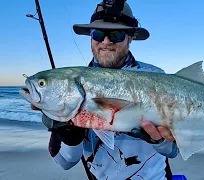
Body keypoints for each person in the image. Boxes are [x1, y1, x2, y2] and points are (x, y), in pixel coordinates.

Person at [31, 1, 181, 180]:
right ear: (91, 37)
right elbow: (66, 162)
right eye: (98, 34)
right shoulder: (70, 90)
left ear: (130, 38)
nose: (106, 41)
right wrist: (69, 135)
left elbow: (173, 152)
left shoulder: (156, 78)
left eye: (116, 34)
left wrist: (159, 140)